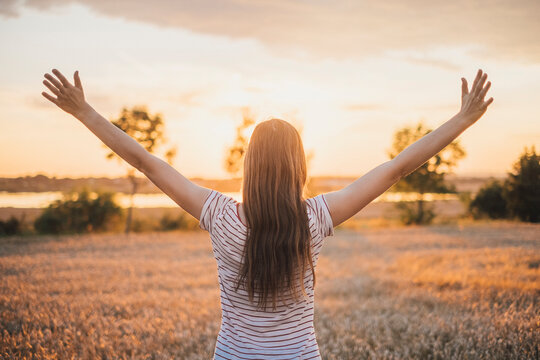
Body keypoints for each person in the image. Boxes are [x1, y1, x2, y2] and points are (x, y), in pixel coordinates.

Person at [41, 68, 493, 359]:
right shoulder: (315, 218)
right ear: (299, 166)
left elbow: (146, 162)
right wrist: (461, 121)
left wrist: (85, 112)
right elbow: (396, 169)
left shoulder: (218, 214)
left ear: (248, 164)